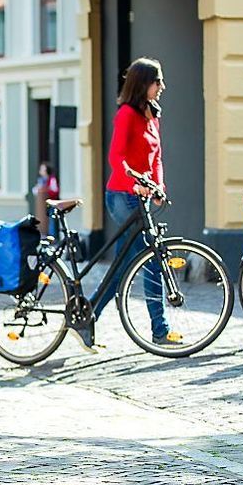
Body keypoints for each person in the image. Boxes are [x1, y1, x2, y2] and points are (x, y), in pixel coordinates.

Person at [95, 57, 179, 345]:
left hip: (140, 196)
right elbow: (115, 157)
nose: (162, 87)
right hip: (121, 195)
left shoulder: (152, 114)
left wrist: (158, 186)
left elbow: (157, 157)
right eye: (158, 81)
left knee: (121, 268)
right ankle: (160, 330)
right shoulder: (126, 114)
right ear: (143, 83)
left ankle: (88, 316)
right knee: (152, 260)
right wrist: (134, 183)